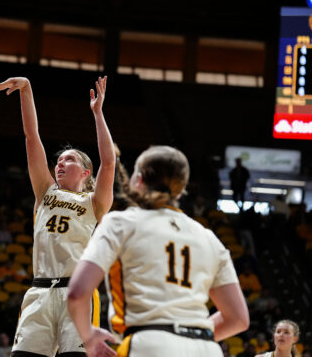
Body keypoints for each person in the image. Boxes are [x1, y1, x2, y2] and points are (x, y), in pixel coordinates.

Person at [67, 146, 249, 357]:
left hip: (149, 342)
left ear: (138, 180)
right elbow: (239, 319)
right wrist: (190, 337)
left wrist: (88, 336)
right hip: (207, 348)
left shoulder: (121, 222)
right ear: (180, 189)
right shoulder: (209, 237)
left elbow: (77, 292)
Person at [0, 76, 115, 357]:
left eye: (69, 159)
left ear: (85, 172)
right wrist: (26, 89)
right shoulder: (45, 191)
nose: (60, 163)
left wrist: (98, 113)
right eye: (58, 160)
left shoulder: (94, 203)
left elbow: (109, 162)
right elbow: (32, 136)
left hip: (77, 293)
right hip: (40, 292)